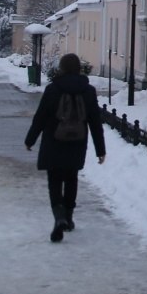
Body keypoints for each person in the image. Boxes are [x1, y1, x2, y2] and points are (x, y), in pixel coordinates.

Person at [24, 52, 106, 242]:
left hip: (54, 141)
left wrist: (30, 139)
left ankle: (59, 216)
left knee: (54, 180)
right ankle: (68, 217)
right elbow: (95, 122)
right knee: (71, 178)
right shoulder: (88, 91)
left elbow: (41, 117)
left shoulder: (53, 89)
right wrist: (100, 150)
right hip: (77, 142)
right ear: (79, 69)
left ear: (61, 68)